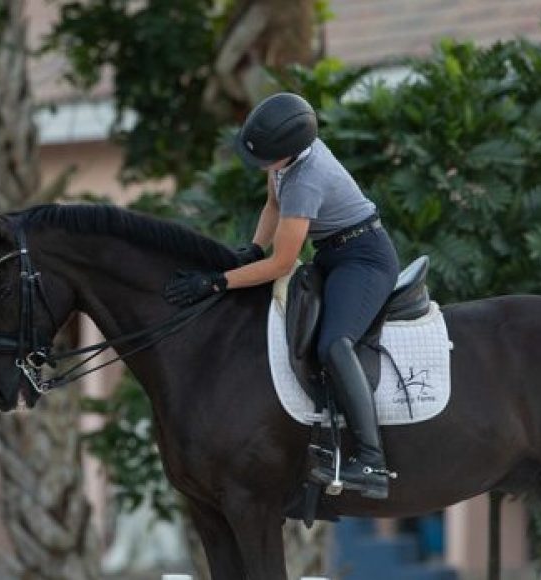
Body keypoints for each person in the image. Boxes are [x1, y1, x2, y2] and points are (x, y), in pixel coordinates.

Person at [162, 92, 398, 499]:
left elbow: (281, 265)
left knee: (334, 345)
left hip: (363, 260)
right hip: (332, 253)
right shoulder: (285, 162)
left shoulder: (308, 179)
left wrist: (219, 281)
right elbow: (274, 202)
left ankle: (372, 460)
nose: (261, 167)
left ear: (288, 150)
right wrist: (253, 246)